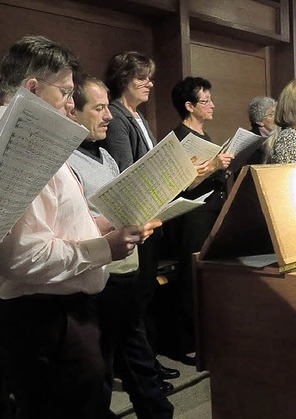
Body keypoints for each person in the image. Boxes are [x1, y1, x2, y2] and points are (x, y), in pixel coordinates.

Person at [0, 35, 158, 419]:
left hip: (59, 312)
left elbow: (56, 222)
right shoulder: (20, 140)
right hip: (47, 316)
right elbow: (23, 258)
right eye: (66, 93)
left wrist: (103, 224)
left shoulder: (33, 136)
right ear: (33, 89)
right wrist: (105, 249)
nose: (72, 106)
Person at [67, 75, 172, 419]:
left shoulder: (105, 156)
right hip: (100, 277)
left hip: (127, 270)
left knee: (139, 361)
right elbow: (80, 223)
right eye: (98, 108)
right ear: (73, 112)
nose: (109, 116)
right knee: (101, 369)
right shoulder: (66, 163)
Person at [103, 51, 179, 391]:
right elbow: (124, 170)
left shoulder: (138, 116)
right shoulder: (117, 116)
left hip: (152, 210)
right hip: (134, 214)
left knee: (146, 293)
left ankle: (146, 361)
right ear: (123, 79)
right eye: (141, 78)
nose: (149, 83)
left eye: (149, 77)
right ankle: (137, 366)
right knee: (136, 297)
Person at [166, 76, 234, 363]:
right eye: (205, 101)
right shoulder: (179, 138)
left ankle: (206, 336)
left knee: (206, 276)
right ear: (189, 106)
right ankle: (186, 343)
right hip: (192, 215)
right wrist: (214, 167)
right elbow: (182, 185)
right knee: (189, 277)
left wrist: (223, 170)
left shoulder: (204, 137)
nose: (211, 105)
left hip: (212, 211)